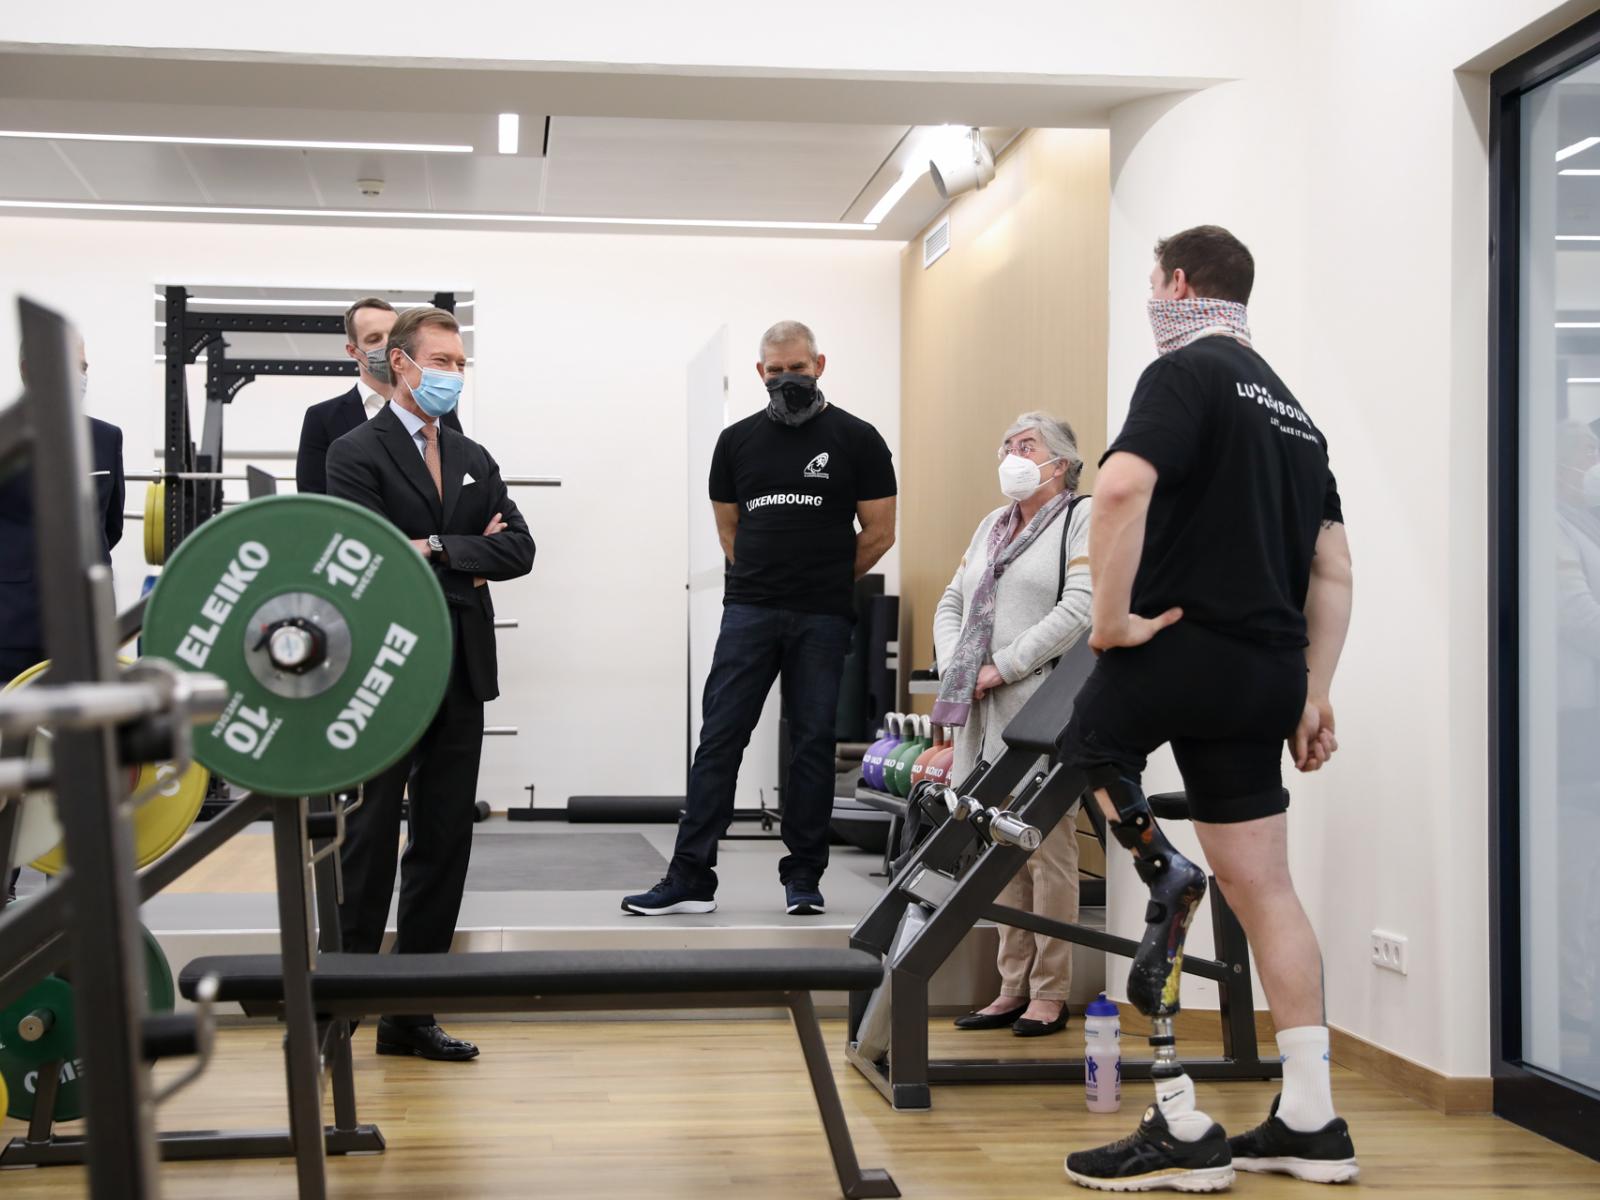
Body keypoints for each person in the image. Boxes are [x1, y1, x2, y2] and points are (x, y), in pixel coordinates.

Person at [1059, 226, 1358, 1190]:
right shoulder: (1297, 413)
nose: (1153, 298)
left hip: (1184, 644)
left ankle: (1178, 1118)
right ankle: (1311, 1117)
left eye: (1153, 282)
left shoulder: (1185, 372)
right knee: (1264, 881)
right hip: (1270, 670)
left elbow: (1117, 489)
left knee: (1086, 751)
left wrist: (1109, 622)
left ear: (1179, 284)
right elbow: (1334, 566)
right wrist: (1315, 691)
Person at [622, 320, 897, 917]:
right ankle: (690, 875)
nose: (787, 379)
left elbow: (880, 533)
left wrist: (822, 576)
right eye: (776, 371)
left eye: (797, 369)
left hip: (822, 617)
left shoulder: (859, 439)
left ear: (819, 365)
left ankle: (804, 878)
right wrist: (766, 579)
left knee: (811, 744)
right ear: (759, 373)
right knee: (720, 738)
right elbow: (729, 532)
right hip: (748, 612)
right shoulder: (736, 442)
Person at [325, 306, 534, 1061]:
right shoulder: (356, 451)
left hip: (461, 670)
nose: (451, 374)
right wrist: (469, 552)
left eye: (459, 362)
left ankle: (410, 1016)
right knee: (371, 840)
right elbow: (372, 550)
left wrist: (441, 547)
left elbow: (522, 550)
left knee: (443, 840)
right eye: (439, 360)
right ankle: (341, 1008)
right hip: (385, 666)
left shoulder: (474, 454)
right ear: (400, 365)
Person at [934, 412, 1092, 1038]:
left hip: (1041, 705)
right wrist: (957, 666)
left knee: (1047, 851)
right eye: (1006, 444)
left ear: (1061, 462)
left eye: (1027, 445)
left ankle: (1049, 994)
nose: (1012, 454)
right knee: (995, 848)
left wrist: (1003, 665)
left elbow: (1080, 608)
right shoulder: (991, 525)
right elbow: (954, 599)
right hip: (979, 708)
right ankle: (1008, 988)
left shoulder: (1080, 518)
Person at [2, 336, 124, 903]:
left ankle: (73, 913)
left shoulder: (106, 438)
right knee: (10, 775)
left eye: (81, 366)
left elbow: (111, 526)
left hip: (84, 634)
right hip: (12, 630)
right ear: (29, 370)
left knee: (78, 778)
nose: (75, 375)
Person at [296, 296, 461, 495]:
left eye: (392, 336)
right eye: (374, 339)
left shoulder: (440, 413)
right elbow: (314, 498)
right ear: (353, 351)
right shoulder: (323, 418)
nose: (386, 345)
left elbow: (459, 488)